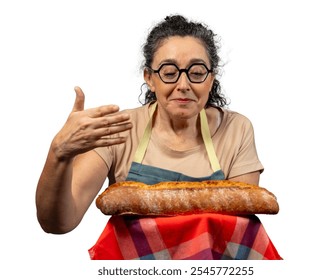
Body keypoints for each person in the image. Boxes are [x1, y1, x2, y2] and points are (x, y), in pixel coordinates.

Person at [36, 15, 279, 260]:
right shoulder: (119, 129)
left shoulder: (236, 129)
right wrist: (59, 153)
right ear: (149, 78)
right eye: (169, 72)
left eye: (196, 72)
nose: (183, 84)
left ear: (211, 79)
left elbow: (238, 234)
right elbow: (59, 224)